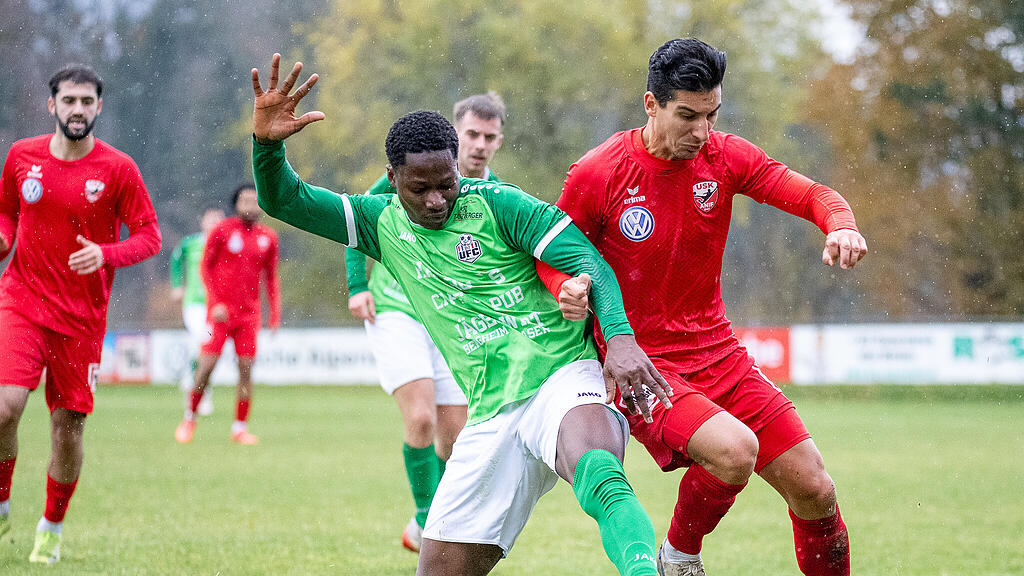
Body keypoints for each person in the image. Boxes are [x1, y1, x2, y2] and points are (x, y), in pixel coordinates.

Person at [250, 54, 673, 575]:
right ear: (392, 178)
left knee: (600, 472)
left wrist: (621, 338)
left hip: (560, 374)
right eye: (418, 188)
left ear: (458, 167)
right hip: (491, 411)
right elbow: (284, 200)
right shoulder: (376, 221)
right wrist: (267, 147)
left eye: (445, 184)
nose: (435, 200)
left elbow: (589, 262)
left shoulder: (501, 204)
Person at [538, 38, 867, 576]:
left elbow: (811, 194)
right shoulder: (599, 172)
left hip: (722, 356)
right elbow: (549, 252)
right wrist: (563, 287)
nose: (701, 132)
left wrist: (842, 224)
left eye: (711, 115)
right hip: (642, 365)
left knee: (815, 489)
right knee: (735, 451)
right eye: (686, 116)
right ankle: (679, 558)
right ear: (651, 104)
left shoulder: (725, 157)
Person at [0, 64, 161, 564]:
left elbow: (149, 237)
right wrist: (4, 240)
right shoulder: (22, 157)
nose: (77, 110)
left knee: (67, 429)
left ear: (98, 107)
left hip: (82, 321)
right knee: (5, 407)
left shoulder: (118, 169)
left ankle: (51, 524)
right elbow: (6, 213)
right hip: (21, 302)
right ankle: (2, 501)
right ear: (52, 105)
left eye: (86, 102)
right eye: (68, 101)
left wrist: (105, 254)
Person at [344, 92, 506, 553]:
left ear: (499, 142)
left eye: (488, 137)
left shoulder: (497, 195)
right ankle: (429, 522)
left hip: (452, 318)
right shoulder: (405, 177)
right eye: (470, 134)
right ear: (455, 137)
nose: (478, 145)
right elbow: (354, 223)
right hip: (396, 307)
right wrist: (358, 286)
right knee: (419, 420)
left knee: (456, 439)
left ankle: (427, 528)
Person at [174, 183, 281, 445]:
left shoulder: (268, 237)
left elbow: (271, 279)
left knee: (246, 369)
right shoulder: (222, 231)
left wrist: (275, 313)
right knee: (206, 366)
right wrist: (216, 303)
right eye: (245, 200)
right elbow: (205, 268)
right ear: (235, 203)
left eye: (255, 200)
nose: (250, 205)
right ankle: (189, 418)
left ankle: (239, 427)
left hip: (248, 316)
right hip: (219, 315)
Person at [169, 205, 225, 415]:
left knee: (206, 349)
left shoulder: (225, 245)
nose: (214, 223)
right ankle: (201, 392)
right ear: (203, 222)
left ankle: (192, 383)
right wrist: (177, 285)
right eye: (211, 219)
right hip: (194, 304)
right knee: (204, 343)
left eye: (218, 219)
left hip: (216, 305)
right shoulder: (191, 243)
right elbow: (176, 258)